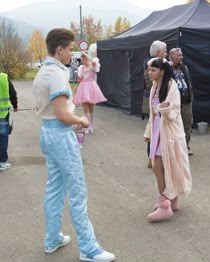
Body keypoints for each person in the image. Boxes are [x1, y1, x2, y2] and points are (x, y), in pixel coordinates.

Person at [33, 28, 115, 262]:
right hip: (60, 135)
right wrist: (80, 120)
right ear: (60, 49)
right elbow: (61, 114)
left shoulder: (43, 71)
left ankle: (52, 238)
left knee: (55, 187)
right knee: (77, 190)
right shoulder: (57, 74)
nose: (72, 54)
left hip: (47, 133)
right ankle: (88, 248)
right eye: (70, 49)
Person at [144, 58, 192, 222]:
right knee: (164, 166)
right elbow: (152, 115)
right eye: (149, 70)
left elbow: (174, 114)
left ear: (162, 71)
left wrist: (165, 109)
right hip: (159, 132)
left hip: (169, 132)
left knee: (160, 166)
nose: (150, 73)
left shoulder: (171, 87)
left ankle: (164, 204)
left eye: (153, 70)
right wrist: (149, 132)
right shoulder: (154, 88)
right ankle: (172, 199)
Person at [143, 40, 168, 169]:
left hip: (157, 102)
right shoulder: (152, 65)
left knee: (155, 129)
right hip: (154, 102)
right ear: (159, 52)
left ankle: (154, 156)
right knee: (153, 129)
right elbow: (149, 84)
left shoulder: (162, 65)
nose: (166, 53)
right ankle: (152, 157)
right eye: (165, 50)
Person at [73, 52, 106, 134]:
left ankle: (90, 126)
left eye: (83, 59)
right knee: (85, 107)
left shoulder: (93, 65)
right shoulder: (81, 67)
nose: (82, 61)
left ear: (87, 58)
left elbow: (94, 62)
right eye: (81, 60)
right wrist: (77, 75)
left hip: (91, 87)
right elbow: (80, 79)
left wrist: (86, 54)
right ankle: (88, 126)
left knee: (91, 107)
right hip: (83, 87)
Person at [169, 48, 194, 156]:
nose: (181, 57)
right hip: (174, 104)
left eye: (181, 55)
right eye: (179, 55)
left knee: (187, 126)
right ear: (171, 57)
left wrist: (190, 95)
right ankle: (174, 149)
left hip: (186, 102)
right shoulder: (167, 68)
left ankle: (186, 147)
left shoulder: (184, 68)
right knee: (174, 127)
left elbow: (188, 82)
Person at [0, 72, 18, 171]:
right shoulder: (3, 77)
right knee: (2, 138)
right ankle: (2, 162)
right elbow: (12, 92)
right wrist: (15, 105)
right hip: (2, 113)